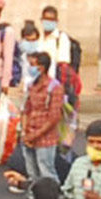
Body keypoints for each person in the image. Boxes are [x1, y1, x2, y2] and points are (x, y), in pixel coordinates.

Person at [20, 51, 65, 183]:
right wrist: (24, 132)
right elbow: (26, 110)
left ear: (42, 67)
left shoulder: (54, 87)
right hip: (29, 134)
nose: (30, 68)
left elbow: (54, 117)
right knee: (32, 174)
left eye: (33, 65)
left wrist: (34, 135)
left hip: (45, 137)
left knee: (46, 172)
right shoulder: (31, 85)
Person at [39, 5, 73, 80]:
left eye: (51, 20)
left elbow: (63, 64)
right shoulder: (38, 37)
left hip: (54, 82)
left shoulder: (61, 38)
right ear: (41, 20)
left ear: (56, 21)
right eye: (46, 19)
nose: (48, 22)